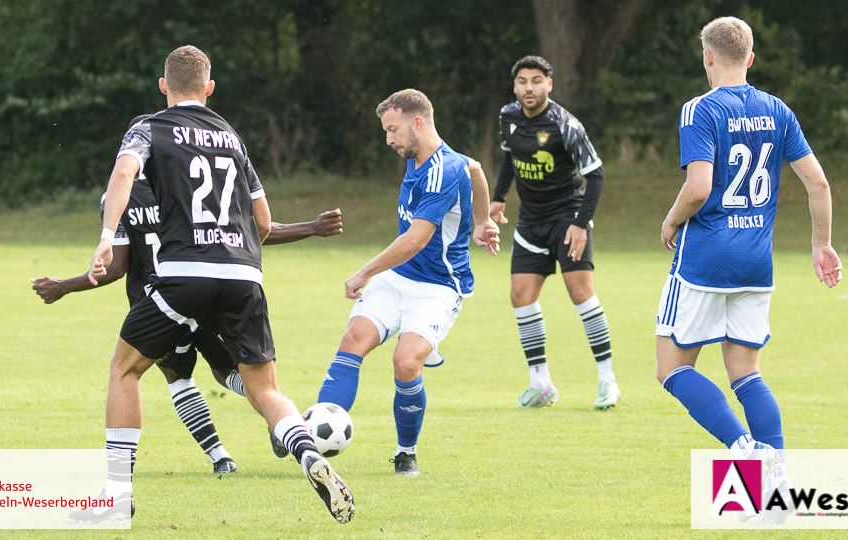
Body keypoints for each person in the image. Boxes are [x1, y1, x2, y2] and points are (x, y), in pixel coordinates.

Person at [72, 45, 354, 524]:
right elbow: (262, 222)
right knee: (264, 388)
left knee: (125, 369)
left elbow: (124, 172)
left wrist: (105, 237)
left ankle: (118, 496)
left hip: (184, 273)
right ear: (209, 88)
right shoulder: (231, 136)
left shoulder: (149, 128)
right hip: (245, 275)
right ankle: (307, 453)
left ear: (164, 86)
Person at [31, 125, 344, 474]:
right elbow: (248, 230)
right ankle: (285, 426)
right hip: (212, 290)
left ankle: (216, 457)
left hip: (159, 298)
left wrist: (65, 285)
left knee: (166, 376)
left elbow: (116, 267)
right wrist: (310, 228)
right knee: (233, 372)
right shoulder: (185, 182)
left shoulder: (117, 198)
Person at [655, 17, 842, 523]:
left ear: (708, 57)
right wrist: (821, 244)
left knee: (671, 370)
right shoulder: (777, 110)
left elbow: (698, 188)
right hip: (757, 263)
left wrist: (670, 220)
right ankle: (776, 484)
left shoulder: (700, 109)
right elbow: (818, 184)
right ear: (751, 58)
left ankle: (747, 450)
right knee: (746, 372)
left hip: (704, 260)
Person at [314, 89, 499, 477]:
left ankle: (405, 453)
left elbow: (416, 240)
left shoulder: (442, 170)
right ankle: (310, 438)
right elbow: (478, 168)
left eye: (393, 130)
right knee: (352, 341)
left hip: (438, 287)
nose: (388, 140)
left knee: (405, 361)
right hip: (397, 278)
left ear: (418, 123)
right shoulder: (430, 158)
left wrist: (363, 272)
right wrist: (483, 220)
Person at [492, 55, 620, 409]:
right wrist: (498, 198)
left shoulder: (566, 125)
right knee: (521, 295)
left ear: (549, 84)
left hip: (567, 217)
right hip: (530, 221)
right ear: (515, 86)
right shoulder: (508, 117)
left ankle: (607, 380)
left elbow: (596, 176)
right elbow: (508, 158)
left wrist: (580, 225)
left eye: (536, 81)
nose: (528, 88)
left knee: (580, 294)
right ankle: (540, 383)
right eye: (522, 81)